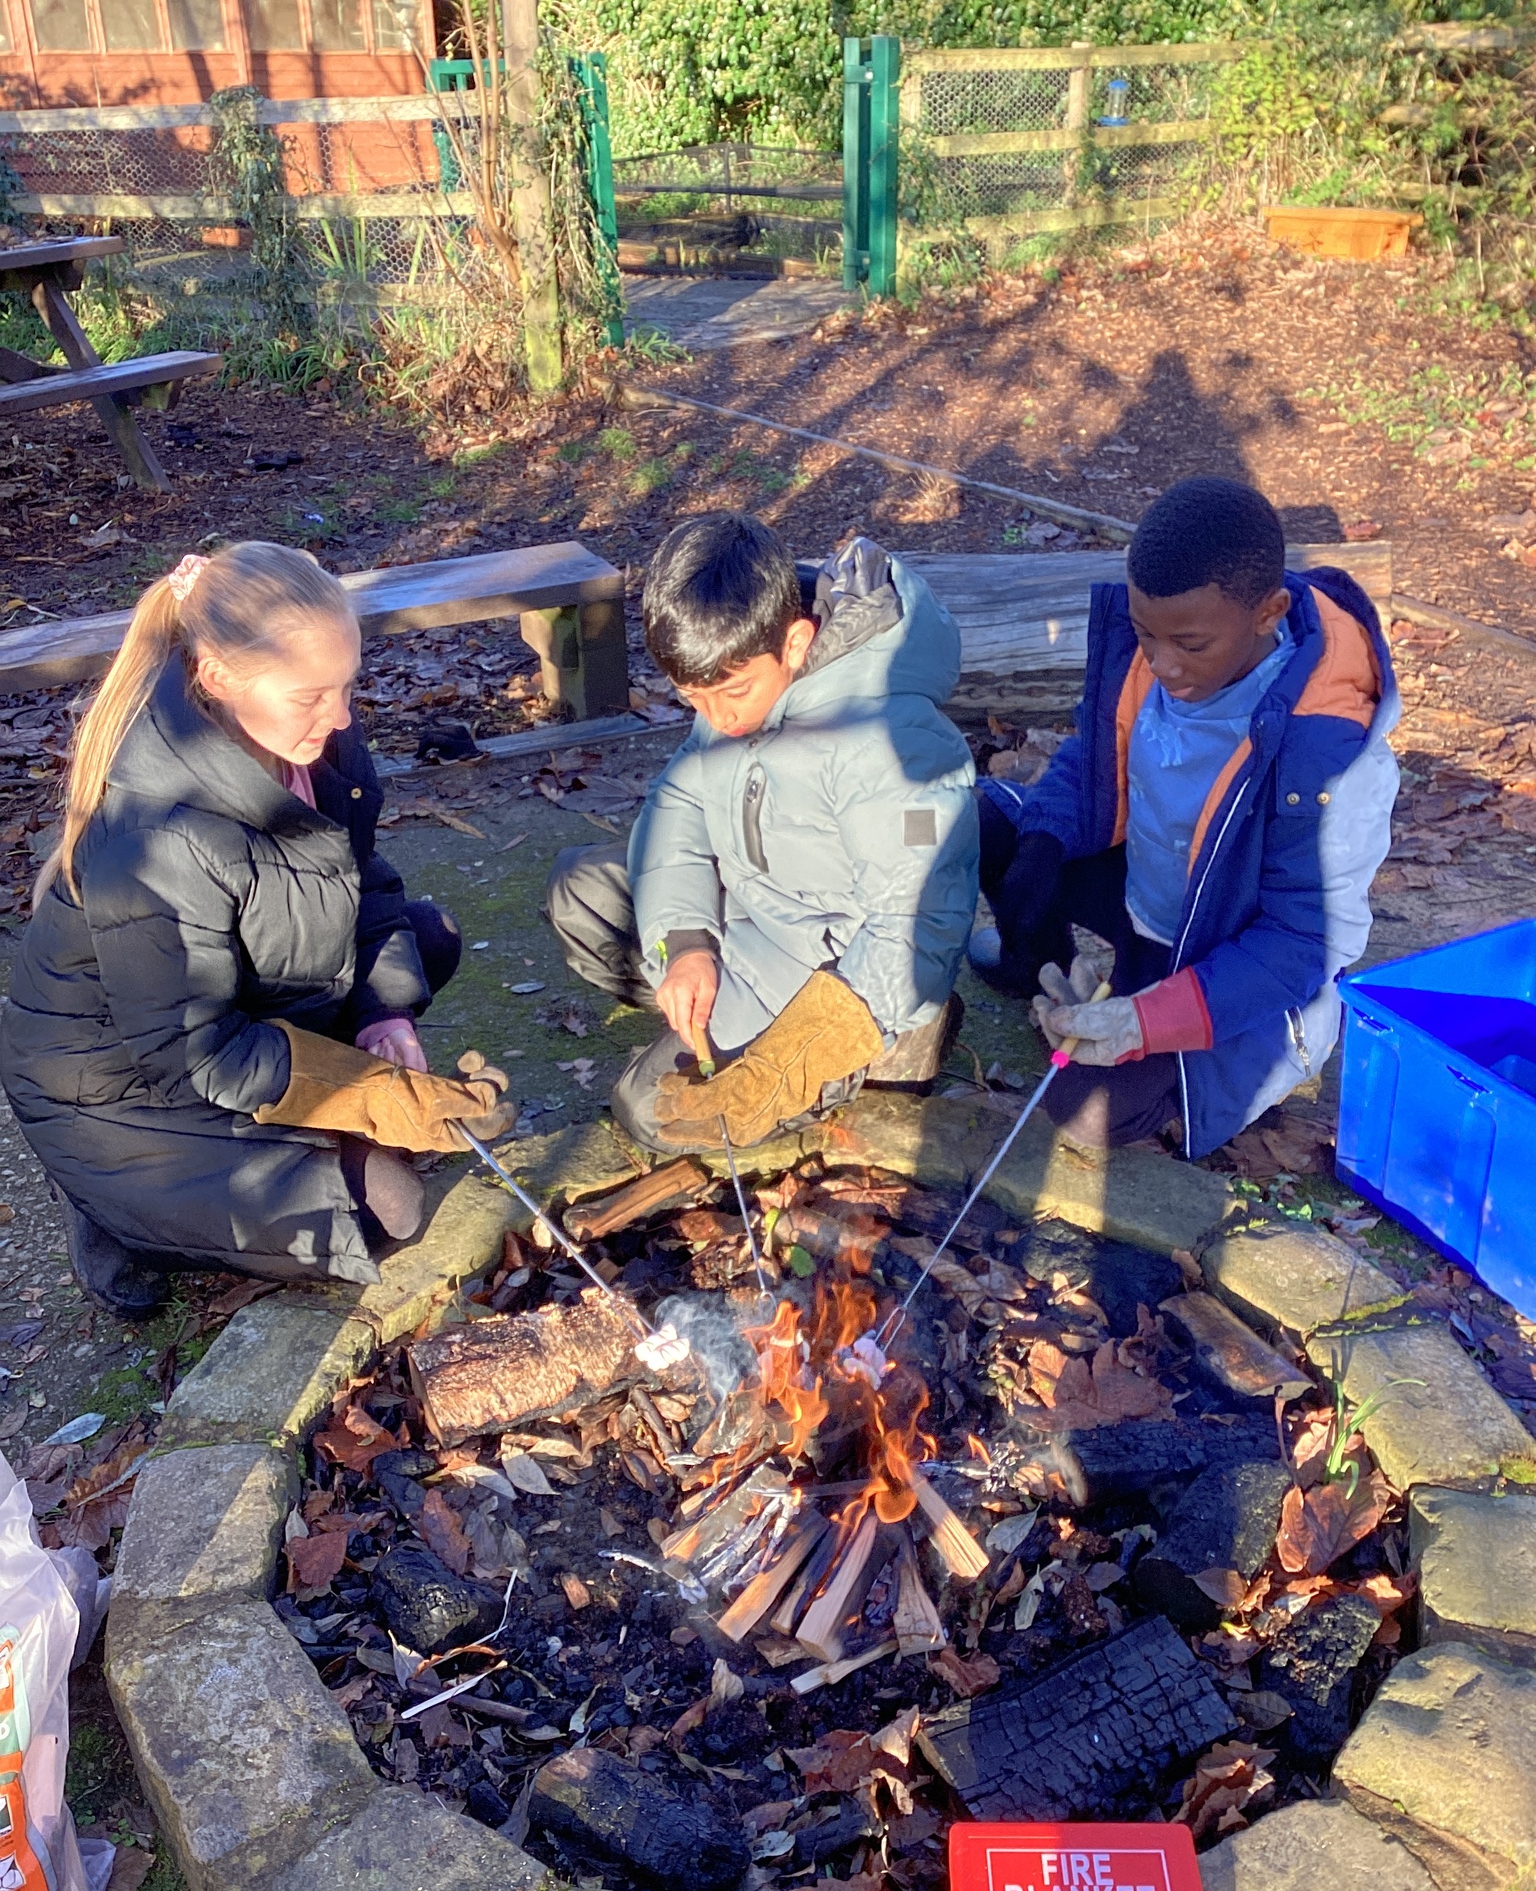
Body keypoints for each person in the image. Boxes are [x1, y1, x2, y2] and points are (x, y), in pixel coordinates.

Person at [1, 543, 514, 1317]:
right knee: (393, 1208)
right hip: (122, 1090)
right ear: (218, 678)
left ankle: (273, 1145)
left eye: (347, 686)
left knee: (425, 938)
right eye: (311, 695)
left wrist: (384, 1016)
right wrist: (365, 1093)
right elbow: (193, 1053)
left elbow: (365, 884)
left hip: (235, 1011)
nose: (339, 717)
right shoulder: (157, 838)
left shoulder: (315, 743)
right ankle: (107, 1205)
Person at [971, 475, 1399, 1157]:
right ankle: (1046, 977)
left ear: (1269, 613)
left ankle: (1193, 1069)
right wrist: (1044, 842)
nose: (1162, 663)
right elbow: (1096, 754)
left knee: (1087, 1111)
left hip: (1221, 953)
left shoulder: (1328, 751)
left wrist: (1147, 1021)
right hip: (1143, 894)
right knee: (987, 828)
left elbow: (1303, 943)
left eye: (1189, 645)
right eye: (1145, 635)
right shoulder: (1164, 645)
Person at [547, 514, 979, 1151]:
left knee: (649, 1109)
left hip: (828, 974)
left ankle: (867, 1051)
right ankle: (723, 1014)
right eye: (692, 699)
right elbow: (679, 803)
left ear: (797, 643)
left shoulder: (888, 741)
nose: (717, 719)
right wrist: (686, 942)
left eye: (732, 694)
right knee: (579, 892)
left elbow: (918, 923)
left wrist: (792, 1062)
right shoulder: (738, 666)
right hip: (747, 916)